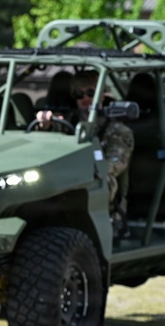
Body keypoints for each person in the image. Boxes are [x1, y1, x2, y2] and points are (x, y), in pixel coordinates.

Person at [35, 69, 134, 232]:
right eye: (79, 94)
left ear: (103, 94)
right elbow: (45, 149)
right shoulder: (68, 122)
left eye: (90, 93)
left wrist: (83, 170)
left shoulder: (118, 129)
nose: (85, 99)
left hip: (98, 184)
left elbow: (116, 164)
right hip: (66, 182)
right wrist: (44, 126)